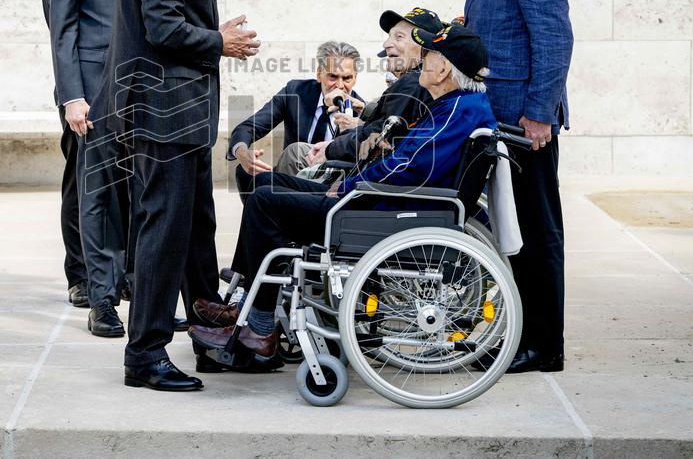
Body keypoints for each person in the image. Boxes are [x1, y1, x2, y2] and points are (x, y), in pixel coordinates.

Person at [189, 25, 497, 361]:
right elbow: (405, 162)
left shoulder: (454, 110)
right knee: (266, 184)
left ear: (443, 69)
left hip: (377, 212)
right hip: (382, 202)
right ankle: (248, 305)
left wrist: (348, 186)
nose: (423, 60)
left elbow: (402, 167)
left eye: (430, 55)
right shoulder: (457, 106)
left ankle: (260, 329)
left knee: (265, 202)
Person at [97, 0, 258, 391]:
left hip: (177, 114)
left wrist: (214, 35)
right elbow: (163, 26)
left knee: (194, 230)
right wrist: (220, 41)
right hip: (164, 114)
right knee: (164, 231)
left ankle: (211, 339)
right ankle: (144, 355)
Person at [462, 0, 573, 373]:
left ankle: (543, 345)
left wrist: (539, 112)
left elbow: (553, 37)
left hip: (523, 118)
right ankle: (523, 334)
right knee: (516, 227)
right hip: (503, 111)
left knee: (536, 227)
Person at [50, 0, 165, 338]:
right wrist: (72, 96)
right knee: (97, 200)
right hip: (95, 97)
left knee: (145, 196)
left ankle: (142, 295)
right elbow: (64, 29)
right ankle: (102, 302)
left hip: (151, 95)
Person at [41, 0, 113, 309]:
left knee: (122, 187)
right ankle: (81, 273)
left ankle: (116, 271)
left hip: (125, 90)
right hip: (83, 91)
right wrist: (74, 95)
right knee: (83, 183)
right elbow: (62, 29)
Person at [228, 39, 365, 195]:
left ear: (355, 78)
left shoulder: (360, 111)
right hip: (292, 170)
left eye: (347, 78)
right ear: (319, 74)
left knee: (294, 152)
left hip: (329, 182)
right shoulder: (296, 92)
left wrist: (356, 125)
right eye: (333, 77)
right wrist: (242, 152)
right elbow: (249, 127)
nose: (340, 86)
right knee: (246, 171)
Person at [309, 7, 441, 167]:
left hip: (369, 181)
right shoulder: (419, 82)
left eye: (399, 37)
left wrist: (330, 148)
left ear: (424, 47)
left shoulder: (414, 82)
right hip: (369, 175)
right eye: (389, 37)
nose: (386, 44)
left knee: (292, 156)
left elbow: (381, 135)